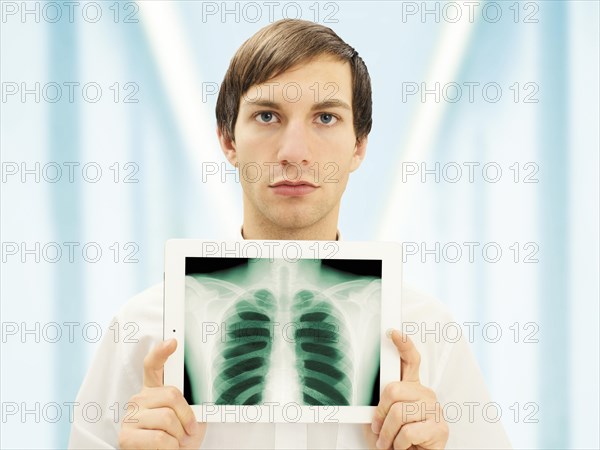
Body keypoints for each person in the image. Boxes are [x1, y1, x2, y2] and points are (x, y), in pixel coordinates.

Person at [69, 19, 512, 449]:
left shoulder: (429, 334)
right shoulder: (142, 332)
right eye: (266, 116)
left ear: (359, 145)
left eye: (325, 118)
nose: (294, 153)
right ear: (227, 140)